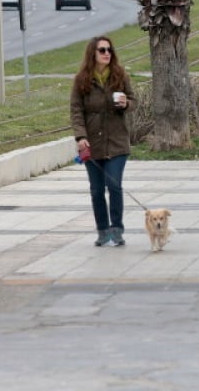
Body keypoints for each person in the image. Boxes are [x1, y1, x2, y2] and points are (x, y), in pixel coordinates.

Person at [70, 36, 136, 247]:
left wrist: (126, 104)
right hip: (92, 143)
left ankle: (117, 229)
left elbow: (134, 100)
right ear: (93, 54)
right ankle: (102, 230)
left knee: (114, 185)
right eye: (102, 50)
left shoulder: (120, 75)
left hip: (117, 142)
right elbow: (76, 111)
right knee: (97, 190)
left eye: (109, 50)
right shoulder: (82, 80)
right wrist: (81, 137)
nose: (107, 53)